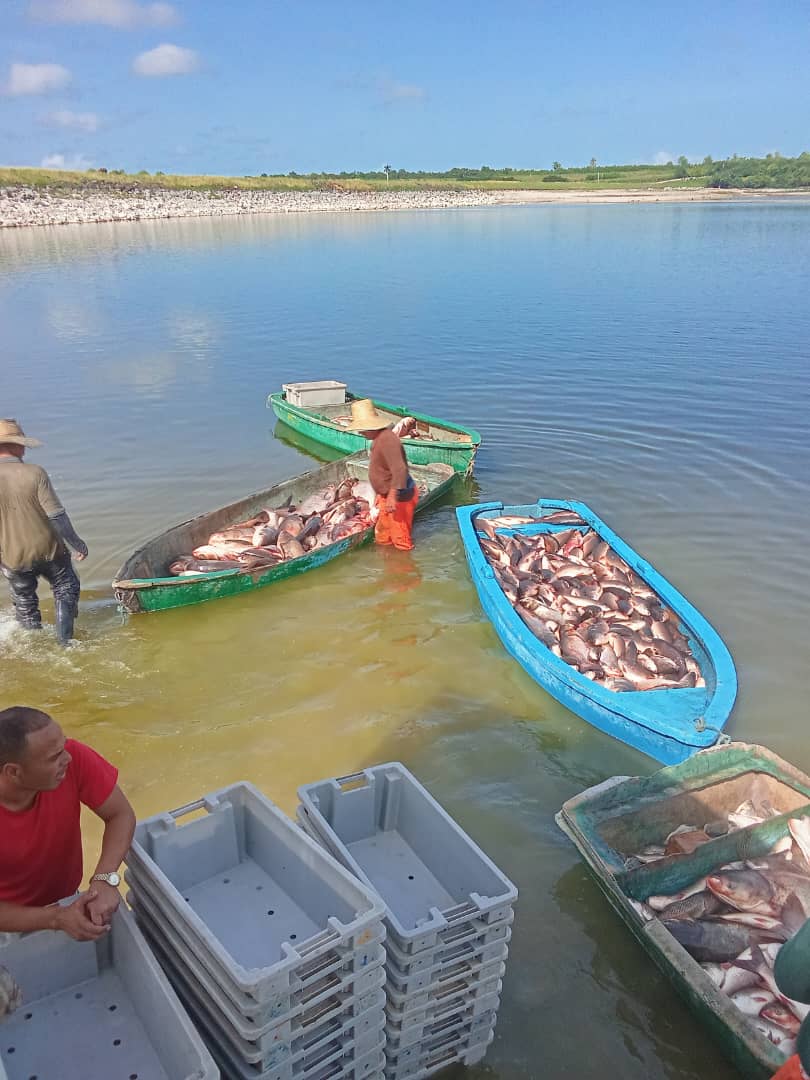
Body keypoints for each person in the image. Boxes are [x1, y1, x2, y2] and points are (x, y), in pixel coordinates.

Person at [0, 706, 136, 941]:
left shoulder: (72, 759)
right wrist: (55, 918)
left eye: (63, 746)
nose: (68, 758)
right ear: (13, 772)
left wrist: (104, 880)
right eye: (54, 757)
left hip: (65, 902)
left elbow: (120, 815)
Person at [0, 418, 88, 645]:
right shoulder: (34, 473)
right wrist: (77, 543)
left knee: (25, 602)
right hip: (50, 549)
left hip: (13, 557)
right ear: (17, 446)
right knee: (66, 587)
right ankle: (65, 643)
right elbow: (56, 515)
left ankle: (32, 644)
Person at [346, 399, 418, 551]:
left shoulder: (388, 441)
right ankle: (386, 563)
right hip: (386, 496)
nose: (360, 432)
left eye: (362, 428)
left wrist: (392, 496)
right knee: (383, 535)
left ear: (373, 427)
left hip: (400, 498)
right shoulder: (377, 440)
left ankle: (404, 569)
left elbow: (400, 470)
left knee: (400, 539)